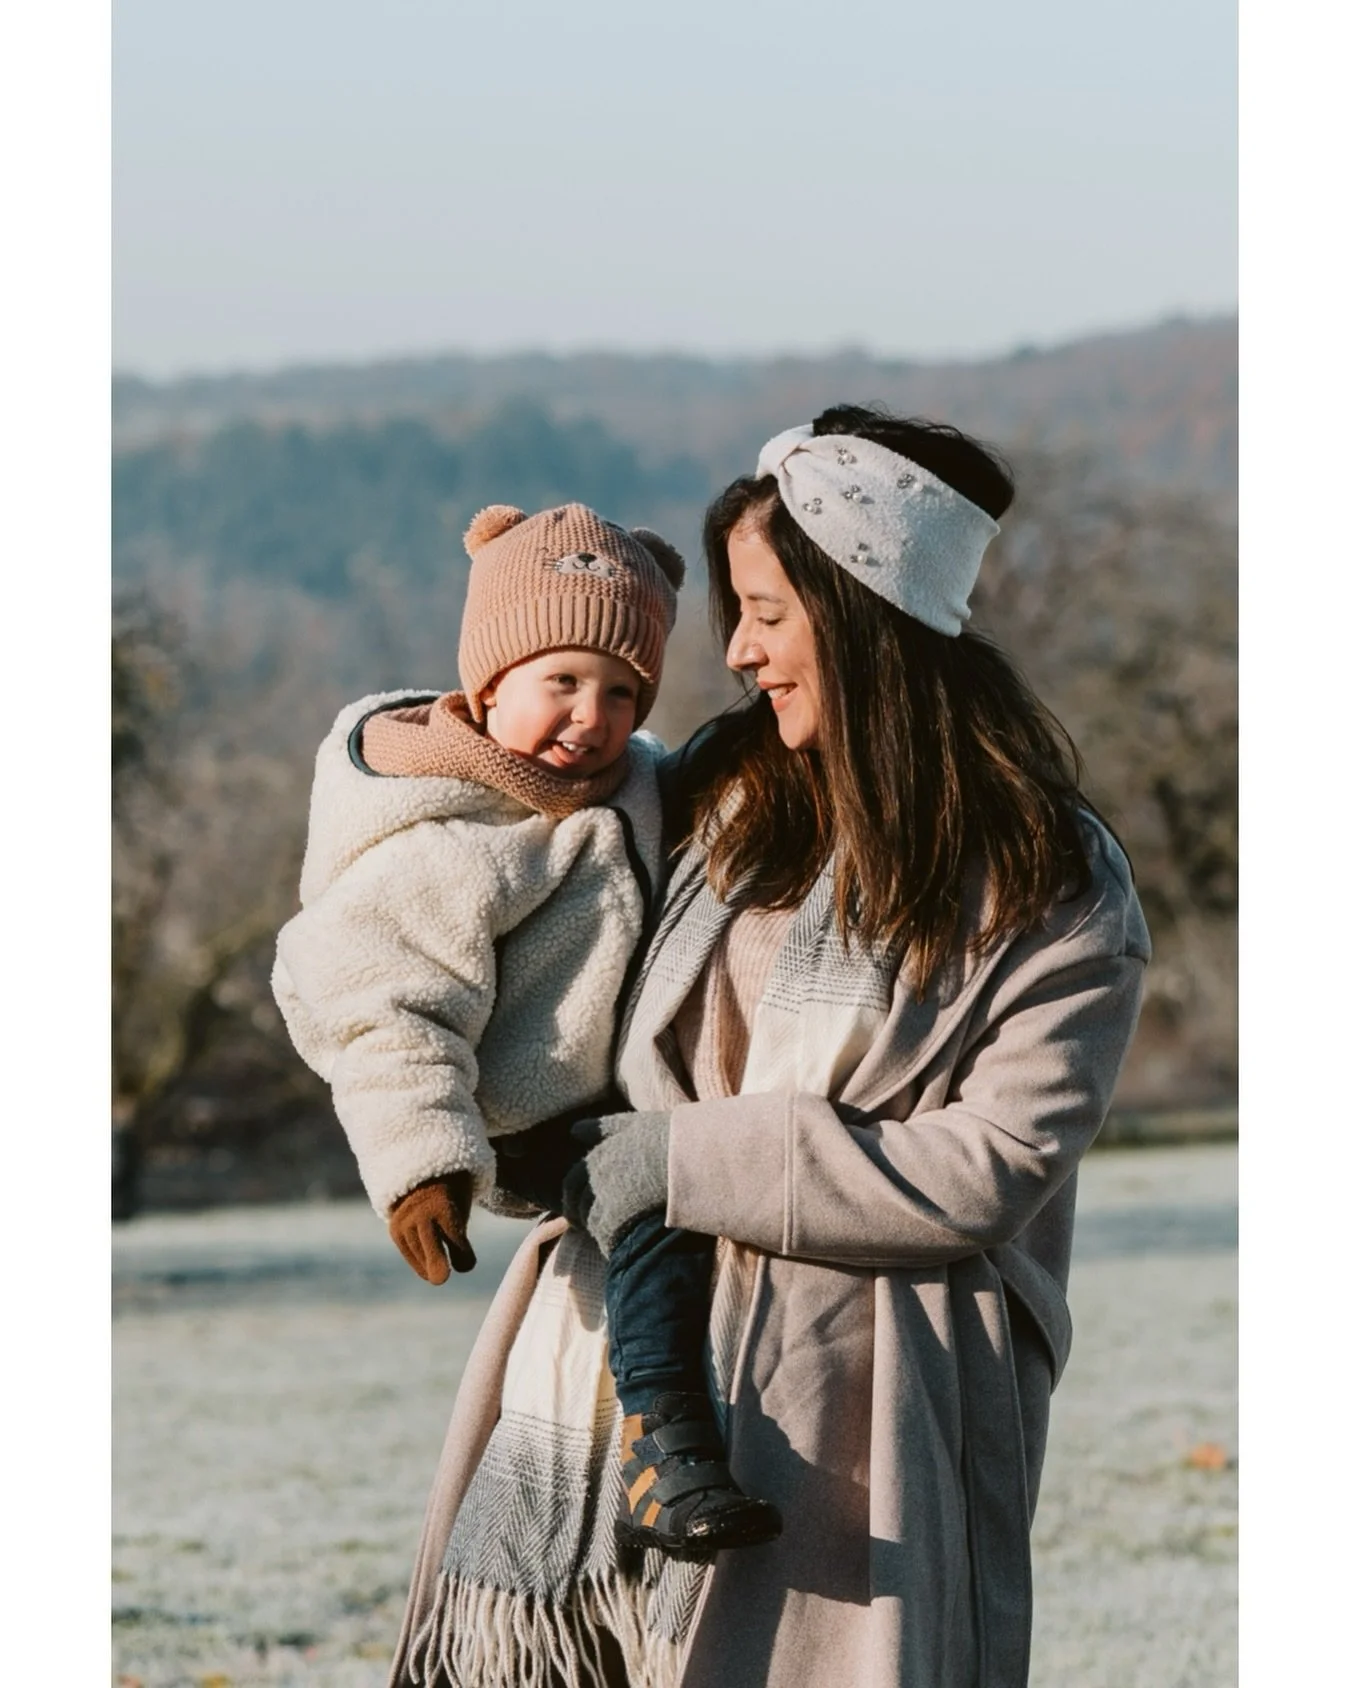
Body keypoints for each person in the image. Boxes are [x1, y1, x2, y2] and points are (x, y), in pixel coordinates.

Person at [388, 407, 1150, 1688]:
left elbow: (995, 1161)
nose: (737, 651)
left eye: (768, 611)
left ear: (866, 608)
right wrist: (492, 1128)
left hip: (856, 1408)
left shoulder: (1048, 876)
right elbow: (509, 940)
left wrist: (682, 1157)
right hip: (593, 1369)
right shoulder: (705, 801)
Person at [271, 497, 779, 1568]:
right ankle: (664, 1444)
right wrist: (424, 1167)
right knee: (655, 1209)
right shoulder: (449, 838)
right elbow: (381, 1002)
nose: (590, 716)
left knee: (669, 1177)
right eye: (561, 682)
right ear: (490, 680)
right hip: (499, 1119)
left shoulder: (624, 781)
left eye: (622, 690)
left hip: (601, 1089)